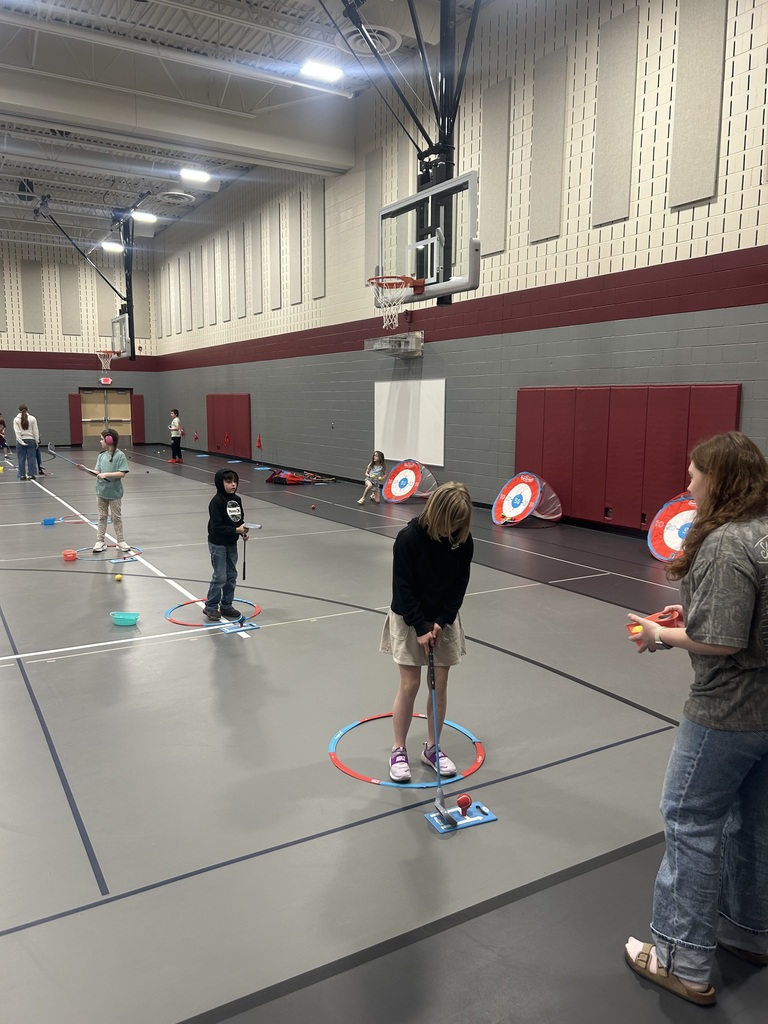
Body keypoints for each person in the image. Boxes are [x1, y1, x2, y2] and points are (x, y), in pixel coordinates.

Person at [624, 431, 768, 1007]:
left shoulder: (726, 542)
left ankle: (683, 961)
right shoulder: (763, 534)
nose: (688, 482)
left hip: (726, 714)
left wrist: (661, 635)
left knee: (688, 820)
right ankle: (749, 931)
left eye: (695, 473)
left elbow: (724, 639)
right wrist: (694, 613)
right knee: (753, 819)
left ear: (721, 479)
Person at [380, 481, 474, 782]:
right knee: (410, 684)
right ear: (437, 513)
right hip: (409, 618)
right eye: (451, 522)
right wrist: (421, 626)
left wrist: (442, 619)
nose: (455, 529)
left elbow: (460, 583)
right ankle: (398, 750)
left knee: (440, 683)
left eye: (461, 523)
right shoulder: (409, 539)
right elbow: (402, 588)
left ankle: (432, 748)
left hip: (442, 617)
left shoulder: (463, 539)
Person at [204, 469, 249, 621]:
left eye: (235, 481)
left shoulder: (237, 500)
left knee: (231, 576)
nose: (233, 484)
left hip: (231, 543)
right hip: (218, 544)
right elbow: (217, 527)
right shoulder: (216, 502)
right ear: (220, 483)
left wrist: (243, 530)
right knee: (220, 576)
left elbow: (239, 519)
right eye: (228, 481)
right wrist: (236, 529)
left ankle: (226, 605)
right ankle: (210, 606)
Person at [92, 429, 132, 553]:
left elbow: (122, 473)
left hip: (114, 493)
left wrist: (106, 474)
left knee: (116, 517)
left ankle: (120, 541)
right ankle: (100, 541)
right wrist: (86, 470)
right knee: (102, 517)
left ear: (109, 440)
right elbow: (98, 471)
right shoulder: (101, 455)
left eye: (101, 439)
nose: (100, 441)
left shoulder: (120, 455)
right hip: (101, 492)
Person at [12, 405, 39, 480]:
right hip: (31, 440)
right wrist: (37, 441)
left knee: (21, 458)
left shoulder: (16, 419)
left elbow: (17, 432)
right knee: (31, 458)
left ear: (18, 410)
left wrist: (21, 441)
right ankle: (31, 474)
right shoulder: (32, 418)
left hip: (21, 441)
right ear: (28, 410)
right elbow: (35, 431)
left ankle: (22, 475)